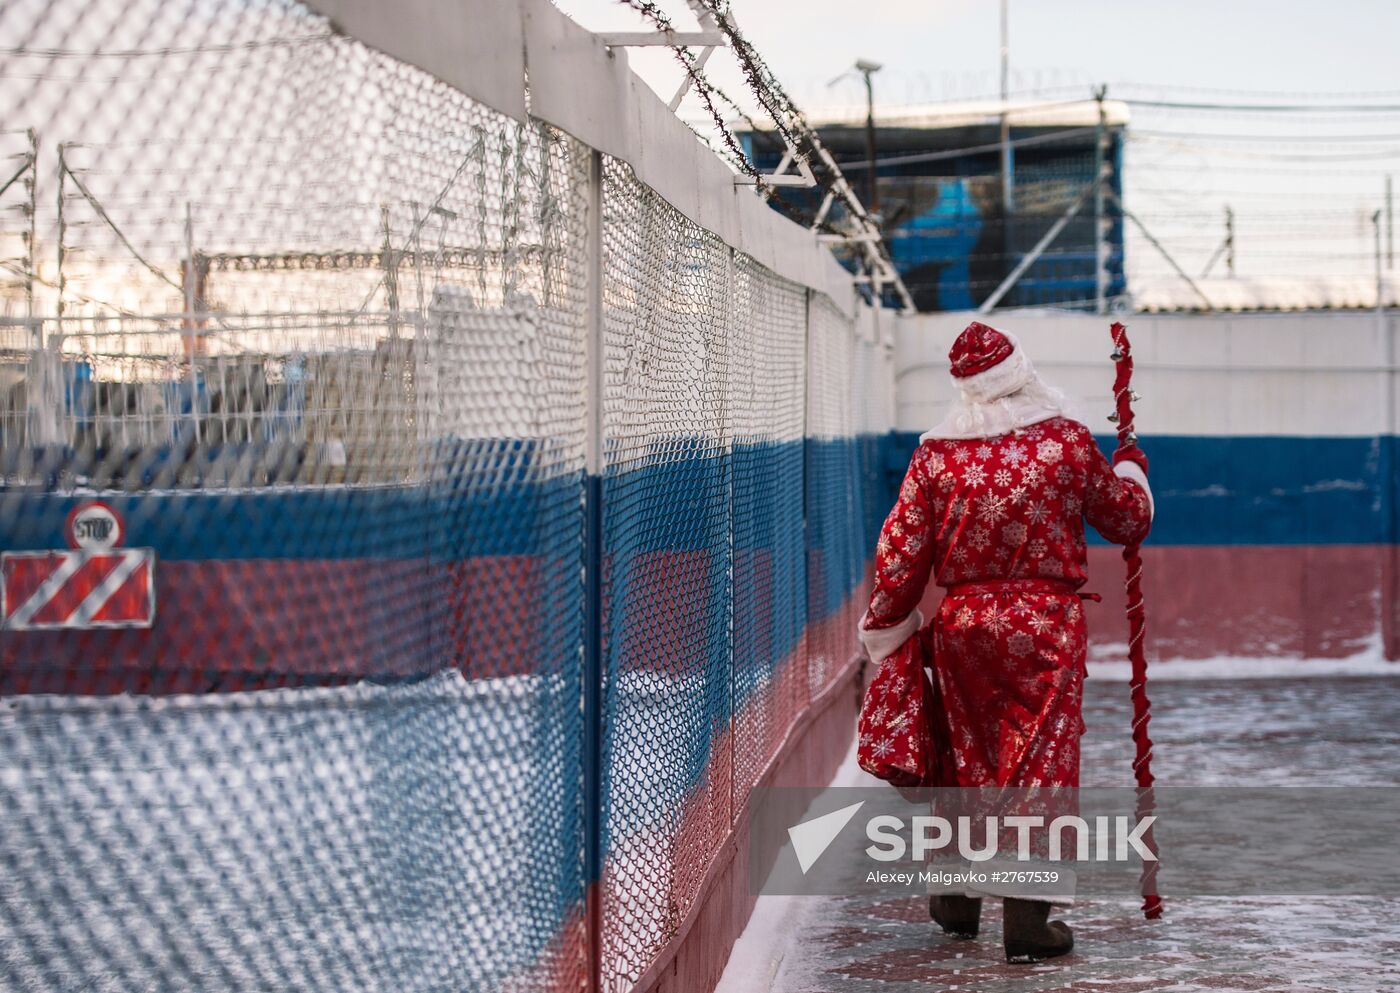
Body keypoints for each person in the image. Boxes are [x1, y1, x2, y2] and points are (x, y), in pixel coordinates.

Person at [858, 321, 1153, 963]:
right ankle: (1027, 918)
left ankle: (957, 900)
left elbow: (902, 551)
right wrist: (1131, 466)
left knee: (965, 759)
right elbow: (1126, 519)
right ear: (1020, 370)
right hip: (1046, 627)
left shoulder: (935, 453)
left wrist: (886, 625)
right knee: (1038, 764)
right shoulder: (1067, 443)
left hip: (963, 624)